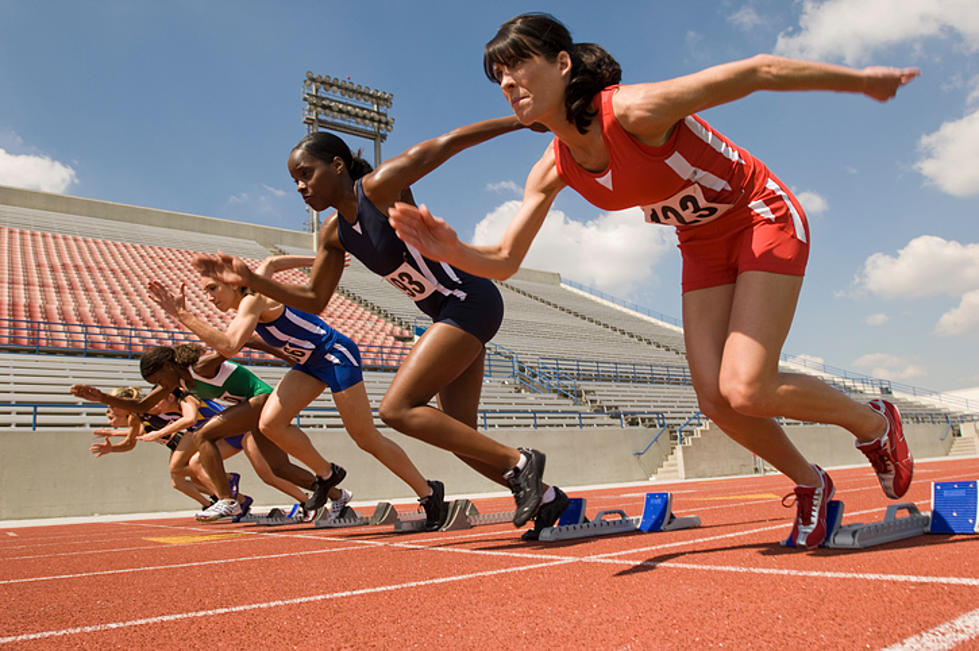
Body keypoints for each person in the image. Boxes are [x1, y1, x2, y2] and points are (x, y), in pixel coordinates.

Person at [388, 13, 918, 549]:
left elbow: (758, 70)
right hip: (699, 243)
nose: (506, 82)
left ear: (562, 63)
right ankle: (811, 482)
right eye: (497, 74)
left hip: (760, 215)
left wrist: (861, 81)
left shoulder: (633, 110)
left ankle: (874, 424)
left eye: (517, 63)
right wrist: (449, 250)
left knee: (746, 386)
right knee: (714, 399)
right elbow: (503, 259)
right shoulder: (552, 166)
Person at [195, 116, 565, 534]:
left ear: (337, 165)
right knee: (462, 437)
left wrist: (520, 122)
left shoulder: (379, 187)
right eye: (293, 181)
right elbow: (315, 300)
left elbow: (445, 143)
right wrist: (254, 281)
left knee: (397, 409)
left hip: (469, 301)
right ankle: (549, 498)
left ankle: (522, 463)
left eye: (306, 174)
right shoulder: (334, 234)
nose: (300, 186)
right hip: (447, 315)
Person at [146, 254, 449, 531]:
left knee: (365, 437)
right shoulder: (248, 296)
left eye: (212, 289)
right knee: (269, 423)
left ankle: (428, 491)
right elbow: (272, 263)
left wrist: (183, 315)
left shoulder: (253, 301)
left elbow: (229, 345)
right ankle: (327, 474)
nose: (209, 298)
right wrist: (317, 259)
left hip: (335, 355)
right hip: (309, 363)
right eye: (205, 292)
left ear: (233, 282)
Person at [71, 343, 346, 522]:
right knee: (279, 469)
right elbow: (141, 405)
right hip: (248, 412)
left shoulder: (201, 366)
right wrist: (102, 397)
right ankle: (339, 498)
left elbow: (234, 343)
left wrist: (288, 356)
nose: (159, 386)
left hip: (262, 399)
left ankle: (227, 500)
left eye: (157, 380)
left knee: (203, 435)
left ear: (168, 367)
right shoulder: (176, 382)